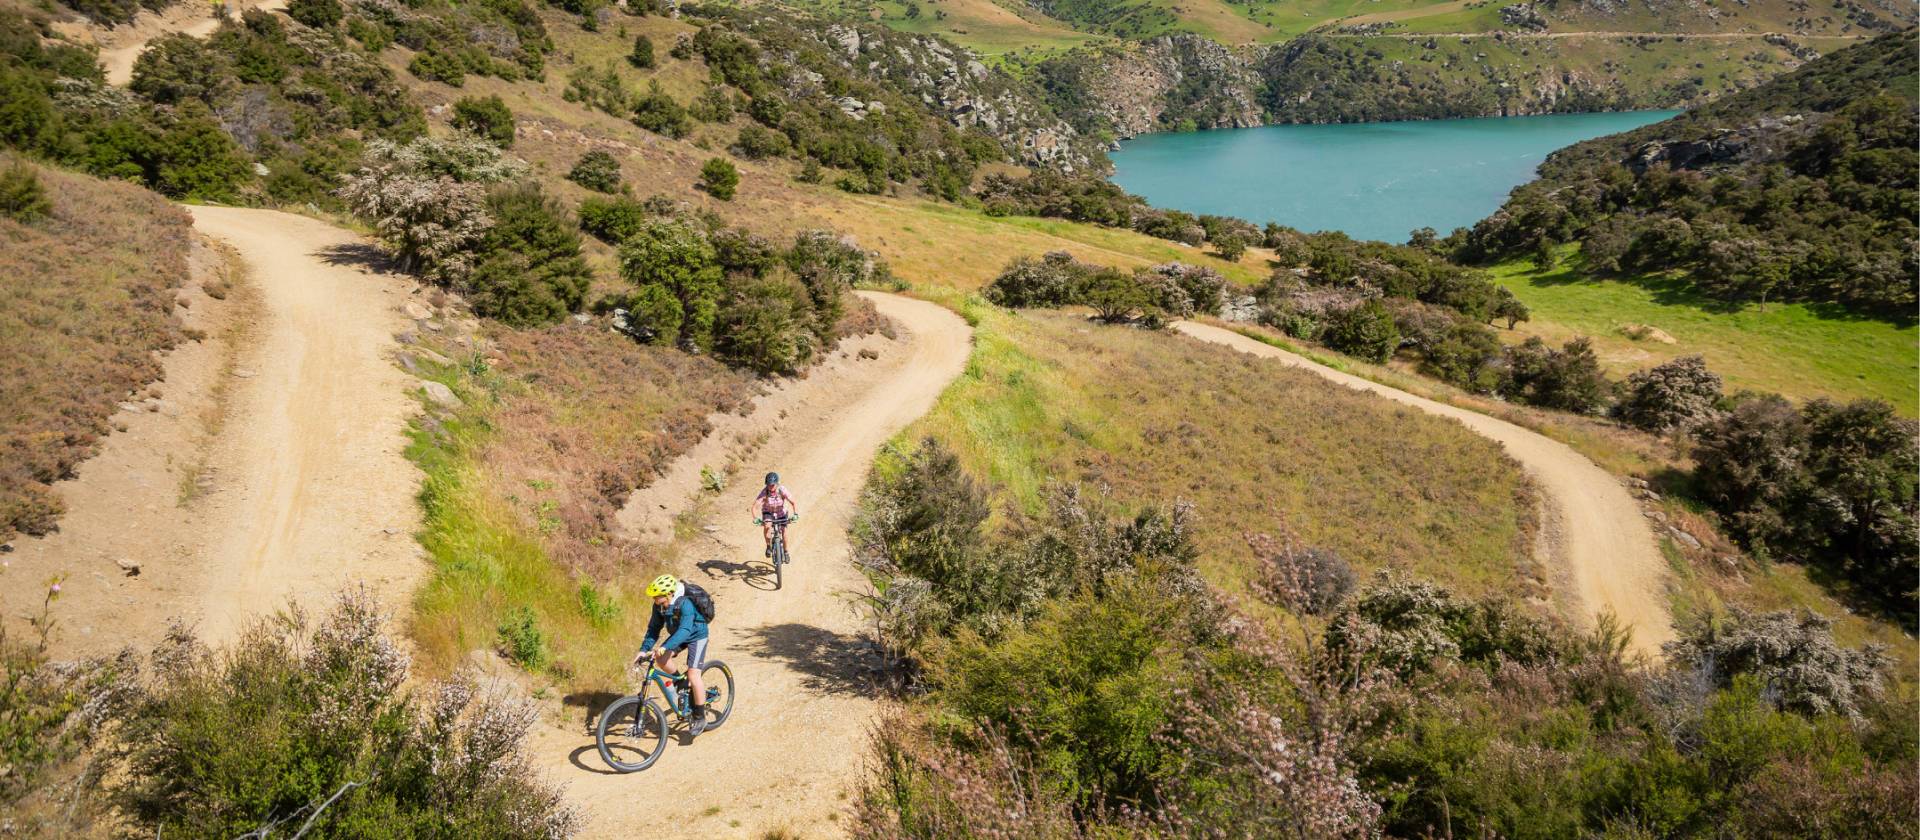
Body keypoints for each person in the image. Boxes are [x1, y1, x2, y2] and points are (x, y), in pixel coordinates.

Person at [635, 574, 711, 736]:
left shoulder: (685, 604)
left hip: (697, 635)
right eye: (656, 601)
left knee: (693, 674)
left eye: (661, 601)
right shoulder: (659, 605)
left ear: (670, 593)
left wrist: (664, 646)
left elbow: (685, 629)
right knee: (661, 659)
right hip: (679, 635)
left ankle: (700, 716)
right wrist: (643, 649)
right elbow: (653, 629)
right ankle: (681, 681)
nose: (659, 604)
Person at [751, 472, 799, 558]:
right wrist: (755, 518)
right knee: (767, 526)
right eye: (769, 485)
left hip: (781, 512)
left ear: (777, 484)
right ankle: (768, 546)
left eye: (773, 485)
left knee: (784, 531)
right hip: (768, 512)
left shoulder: (782, 490)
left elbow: (793, 502)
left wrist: (795, 514)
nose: (771, 487)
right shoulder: (764, 492)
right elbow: (754, 507)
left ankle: (786, 551)